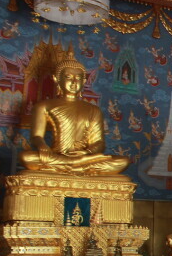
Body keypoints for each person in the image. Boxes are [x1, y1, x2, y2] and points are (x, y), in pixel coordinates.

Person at [19, 48, 129, 176]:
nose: (74, 82)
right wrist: (42, 146)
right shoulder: (44, 106)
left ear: (83, 81)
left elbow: (99, 143)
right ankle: (77, 167)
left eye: (78, 78)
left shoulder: (93, 110)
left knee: (123, 161)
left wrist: (86, 153)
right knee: (26, 157)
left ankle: (70, 167)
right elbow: (36, 136)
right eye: (68, 77)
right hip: (57, 156)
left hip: (85, 158)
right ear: (57, 79)